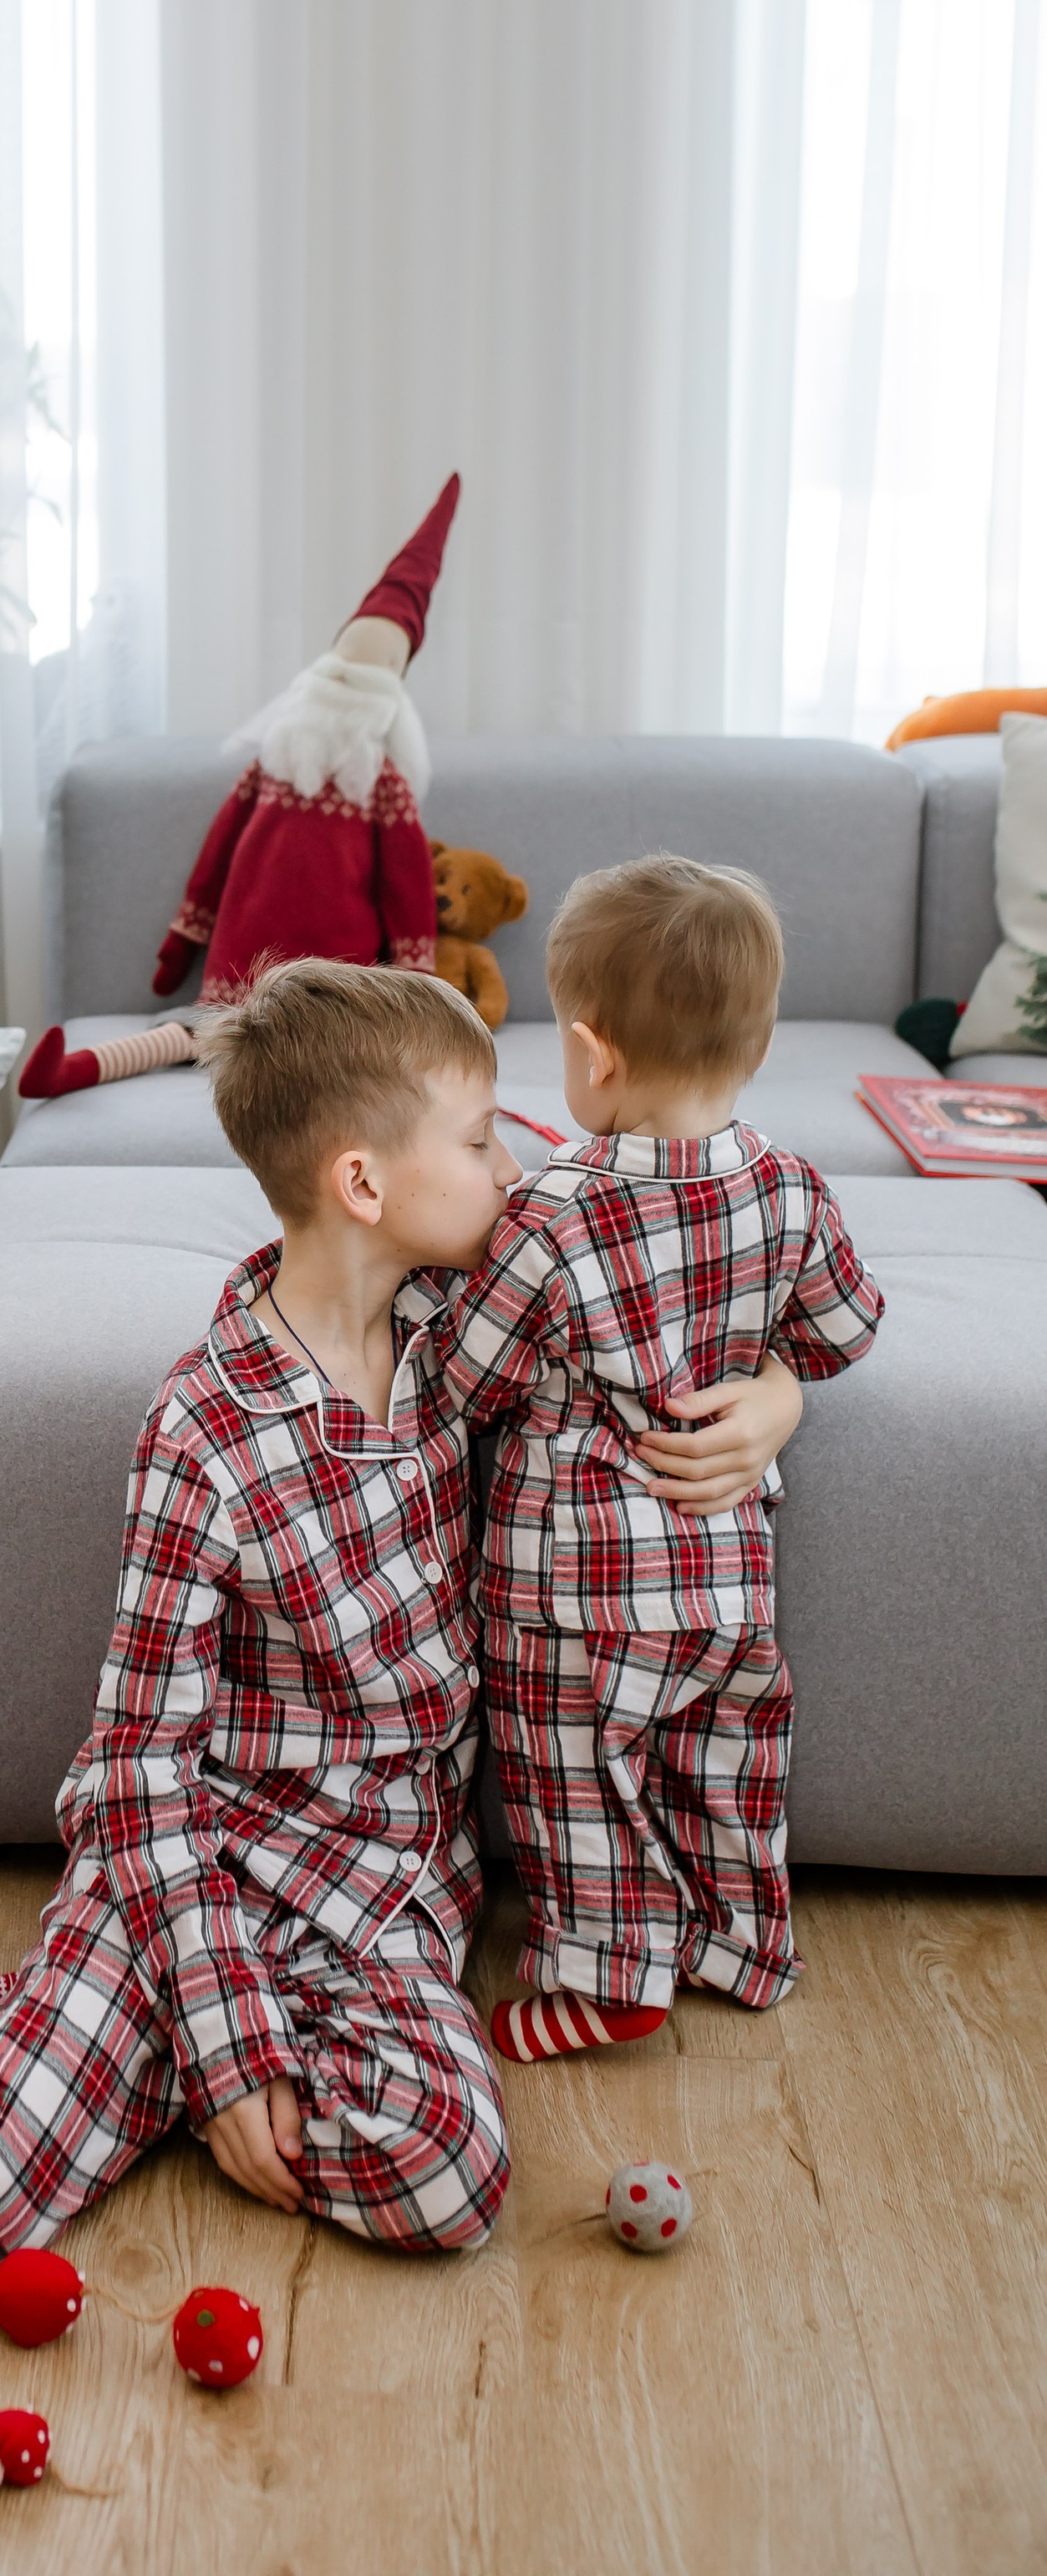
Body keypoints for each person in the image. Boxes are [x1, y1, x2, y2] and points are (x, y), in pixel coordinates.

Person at [0, 959, 804, 2264]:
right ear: (364, 1185)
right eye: (477, 1145)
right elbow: (139, 1768)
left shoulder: (471, 1327)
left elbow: (682, 1288)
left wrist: (778, 1398)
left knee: (444, 2187)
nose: (515, 1172)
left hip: (381, 1895)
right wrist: (233, 2053)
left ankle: (109, 2070)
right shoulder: (203, 1433)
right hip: (191, 1875)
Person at [432, 858, 884, 2064]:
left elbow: (465, 1386)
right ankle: (742, 1945)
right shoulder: (790, 1187)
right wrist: (775, 1382)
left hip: (570, 1594)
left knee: (576, 1781)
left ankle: (605, 1971)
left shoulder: (551, 1217)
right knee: (725, 1764)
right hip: (726, 1577)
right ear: (762, 1037)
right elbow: (843, 1330)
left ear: (593, 1053)